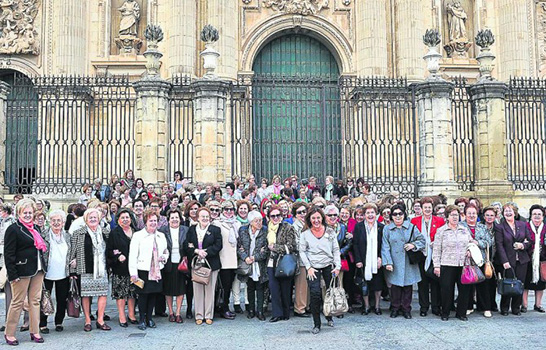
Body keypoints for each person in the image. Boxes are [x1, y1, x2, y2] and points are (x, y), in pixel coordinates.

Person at [4, 198, 47, 345]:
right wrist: (12, 274)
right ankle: (9, 333)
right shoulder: (13, 229)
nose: (28, 215)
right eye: (25, 212)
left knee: (35, 301)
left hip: (38, 269)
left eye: (30, 212)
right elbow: (9, 254)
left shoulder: (36, 227)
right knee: (17, 302)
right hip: (21, 270)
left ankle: (35, 331)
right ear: (19, 213)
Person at [299, 206, 341, 334]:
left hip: (329, 265)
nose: (316, 220)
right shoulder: (305, 234)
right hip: (313, 267)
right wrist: (308, 267)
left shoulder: (330, 232)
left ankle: (329, 316)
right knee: (315, 294)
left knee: (329, 293)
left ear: (322, 218)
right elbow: (302, 251)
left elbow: (336, 250)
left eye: (318, 218)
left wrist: (337, 266)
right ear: (309, 219)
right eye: (313, 218)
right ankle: (316, 323)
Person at [69, 208, 111, 332]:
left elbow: (108, 249)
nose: (93, 219)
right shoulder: (79, 232)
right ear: (86, 219)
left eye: (95, 217)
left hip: (101, 269)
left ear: (99, 219)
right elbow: (73, 251)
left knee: (103, 293)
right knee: (86, 295)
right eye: (90, 217)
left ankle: (100, 320)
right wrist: (72, 269)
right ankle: (87, 320)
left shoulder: (105, 232)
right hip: (85, 268)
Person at [382, 203, 425, 319]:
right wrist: (387, 262)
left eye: (400, 214)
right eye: (395, 214)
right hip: (394, 262)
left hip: (407, 262)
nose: (397, 216)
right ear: (391, 216)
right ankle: (395, 308)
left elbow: (422, 240)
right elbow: (385, 247)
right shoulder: (387, 229)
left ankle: (406, 309)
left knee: (407, 287)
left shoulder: (411, 227)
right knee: (395, 287)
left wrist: (413, 245)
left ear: (404, 214)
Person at [432, 205, 475, 321]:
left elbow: (471, 243)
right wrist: (436, 265)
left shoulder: (464, 230)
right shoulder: (441, 231)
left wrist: (470, 251)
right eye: (452, 215)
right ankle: (445, 312)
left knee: (464, 289)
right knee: (446, 289)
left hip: (463, 264)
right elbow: (436, 249)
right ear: (447, 217)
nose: (454, 217)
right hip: (447, 263)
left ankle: (461, 313)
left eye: (456, 215)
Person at [128, 209, 168, 330]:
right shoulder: (138, 236)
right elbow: (133, 255)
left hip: (156, 270)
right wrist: (133, 273)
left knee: (153, 295)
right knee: (143, 296)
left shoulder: (161, 235)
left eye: (155, 220)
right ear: (146, 221)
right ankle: (141, 319)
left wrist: (164, 257)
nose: (153, 223)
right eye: (151, 220)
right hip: (143, 270)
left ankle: (149, 318)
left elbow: (166, 251)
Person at [183, 207, 222, 325]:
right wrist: (196, 251)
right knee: (198, 289)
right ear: (198, 218)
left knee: (210, 290)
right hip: (197, 263)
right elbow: (187, 244)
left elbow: (218, 245)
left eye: (207, 216)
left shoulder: (215, 229)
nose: (205, 218)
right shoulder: (191, 229)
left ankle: (208, 315)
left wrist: (206, 252)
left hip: (211, 263)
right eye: (202, 216)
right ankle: (199, 315)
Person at [410, 197, 445, 317]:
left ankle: (436, 306)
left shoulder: (439, 220)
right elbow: (412, 237)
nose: (427, 209)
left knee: (435, 281)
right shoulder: (414, 221)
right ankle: (423, 307)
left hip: (434, 254)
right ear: (421, 208)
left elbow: (442, 236)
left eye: (429, 207)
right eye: (425, 207)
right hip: (421, 254)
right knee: (422, 282)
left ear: (432, 208)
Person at [495, 203, 532, 316]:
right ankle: (504, 307)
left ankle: (516, 307)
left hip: (522, 260)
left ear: (515, 212)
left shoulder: (523, 224)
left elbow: (530, 241)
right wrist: (504, 261)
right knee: (507, 284)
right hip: (508, 260)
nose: (508, 213)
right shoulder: (500, 227)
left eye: (510, 210)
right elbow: (499, 245)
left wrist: (523, 246)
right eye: (506, 211)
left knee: (519, 284)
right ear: (503, 213)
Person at [39, 210, 71, 333]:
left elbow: (72, 252)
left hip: (63, 273)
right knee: (45, 299)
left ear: (63, 222)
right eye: (53, 220)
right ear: (50, 222)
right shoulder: (43, 234)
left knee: (62, 299)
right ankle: (43, 323)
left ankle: (59, 322)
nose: (56, 223)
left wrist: (73, 261)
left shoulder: (68, 235)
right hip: (47, 273)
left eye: (59, 220)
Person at [106, 208, 138, 327]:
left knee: (132, 293)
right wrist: (118, 256)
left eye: (127, 217)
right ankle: (122, 316)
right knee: (121, 294)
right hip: (120, 268)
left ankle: (131, 315)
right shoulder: (114, 233)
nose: (125, 220)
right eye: (122, 218)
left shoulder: (136, 232)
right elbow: (109, 251)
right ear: (118, 220)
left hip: (134, 267)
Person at [266, 205, 297, 323]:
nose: (275, 218)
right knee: (273, 288)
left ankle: (285, 312)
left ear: (282, 216)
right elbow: (265, 244)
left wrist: (275, 248)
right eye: (272, 216)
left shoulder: (287, 227)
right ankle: (276, 313)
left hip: (284, 261)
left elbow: (292, 246)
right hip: (270, 262)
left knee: (285, 287)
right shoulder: (267, 229)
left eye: (277, 215)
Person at [159, 209, 190, 323]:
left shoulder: (185, 230)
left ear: (180, 219)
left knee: (180, 289)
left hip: (182, 262)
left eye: (177, 217)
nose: (175, 220)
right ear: (168, 220)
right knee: (168, 289)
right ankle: (170, 312)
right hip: (168, 263)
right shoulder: (162, 231)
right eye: (172, 218)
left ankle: (178, 313)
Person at [353, 203, 385, 315]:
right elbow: (355, 244)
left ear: (376, 214)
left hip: (377, 261)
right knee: (364, 284)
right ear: (365, 214)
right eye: (368, 213)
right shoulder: (359, 227)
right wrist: (358, 260)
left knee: (378, 284)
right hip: (363, 260)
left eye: (372, 212)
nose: (370, 215)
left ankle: (377, 306)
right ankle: (366, 306)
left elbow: (384, 245)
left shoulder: (381, 227)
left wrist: (381, 258)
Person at [236, 211, 268, 321]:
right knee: (250, 287)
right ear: (250, 222)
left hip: (259, 264)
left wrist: (255, 257)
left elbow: (266, 249)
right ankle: (250, 310)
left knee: (260, 287)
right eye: (256, 221)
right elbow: (239, 246)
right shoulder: (243, 230)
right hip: (247, 263)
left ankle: (260, 311)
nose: (259, 223)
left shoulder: (264, 230)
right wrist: (245, 257)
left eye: (260, 220)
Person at [214, 200, 241, 319]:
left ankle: (225, 306)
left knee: (229, 285)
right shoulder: (217, 223)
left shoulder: (237, 223)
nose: (229, 212)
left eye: (231, 209)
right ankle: (223, 308)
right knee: (223, 286)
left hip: (234, 259)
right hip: (223, 258)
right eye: (226, 209)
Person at [464, 204, 493, 317]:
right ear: (465, 215)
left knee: (483, 284)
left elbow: (489, 242)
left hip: (481, 259)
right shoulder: (461, 227)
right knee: (467, 283)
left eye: (474, 213)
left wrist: (477, 243)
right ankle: (469, 306)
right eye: (469, 213)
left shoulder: (482, 227)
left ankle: (486, 307)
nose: (471, 215)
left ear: (477, 215)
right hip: (466, 259)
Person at [522, 205, 546, 313]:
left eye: (539, 214)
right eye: (534, 214)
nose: (537, 216)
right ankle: (524, 305)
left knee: (541, 282)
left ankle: (538, 305)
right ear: (530, 216)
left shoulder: (545, 227)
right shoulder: (525, 226)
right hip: (527, 257)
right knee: (526, 282)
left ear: (543, 216)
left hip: (542, 258)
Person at [291, 202, 311, 317]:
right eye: (299, 212)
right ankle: (299, 308)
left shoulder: (308, 224)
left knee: (308, 284)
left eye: (304, 211)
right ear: (295, 214)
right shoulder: (295, 227)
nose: (302, 214)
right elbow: (297, 244)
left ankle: (306, 306)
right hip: (301, 259)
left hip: (310, 259)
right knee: (301, 285)